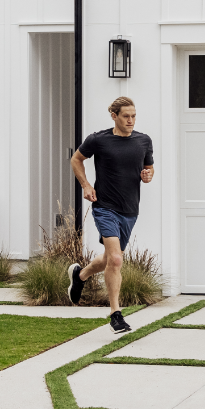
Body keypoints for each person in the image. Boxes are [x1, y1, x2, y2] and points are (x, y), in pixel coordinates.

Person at [67, 96, 154, 333]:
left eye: (134, 116)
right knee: (116, 259)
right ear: (114, 116)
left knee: (108, 259)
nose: (131, 120)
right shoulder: (99, 139)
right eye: (126, 116)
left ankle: (80, 275)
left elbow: (149, 168)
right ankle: (116, 315)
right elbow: (76, 159)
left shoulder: (143, 141)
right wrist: (85, 185)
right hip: (104, 206)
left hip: (130, 209)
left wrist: (148, 175)